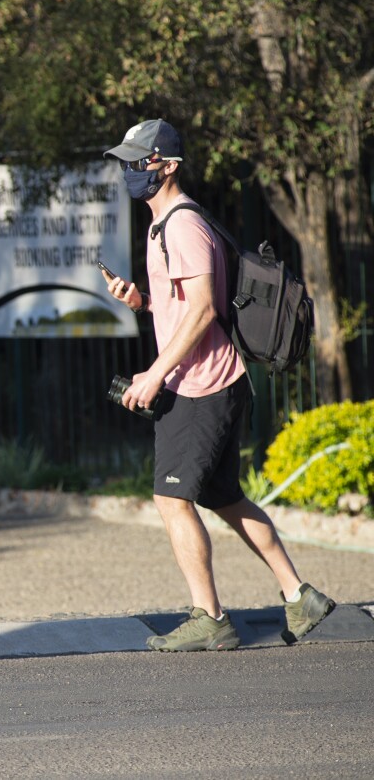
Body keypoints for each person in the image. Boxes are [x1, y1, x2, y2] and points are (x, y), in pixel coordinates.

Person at [101, 119, 335, 652]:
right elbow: (188, 304)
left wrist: (156, 374)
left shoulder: (182, 225)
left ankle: (210, 617)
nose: (132, 170)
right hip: (212, 381)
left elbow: (206, 308)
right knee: (224, 496)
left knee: (170, 499)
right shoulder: (166, 225)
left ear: (168, 165)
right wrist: (143, 303)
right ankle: (301, 596)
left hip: (200, 387)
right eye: (128, 161)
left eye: (141, 160)